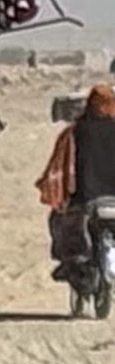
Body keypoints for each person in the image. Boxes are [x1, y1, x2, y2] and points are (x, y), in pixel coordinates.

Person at [41, 83, 115, 303]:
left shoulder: (75, 131)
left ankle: (70, 265)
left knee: (59, 221)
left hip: (86, 200)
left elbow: (62, 167)